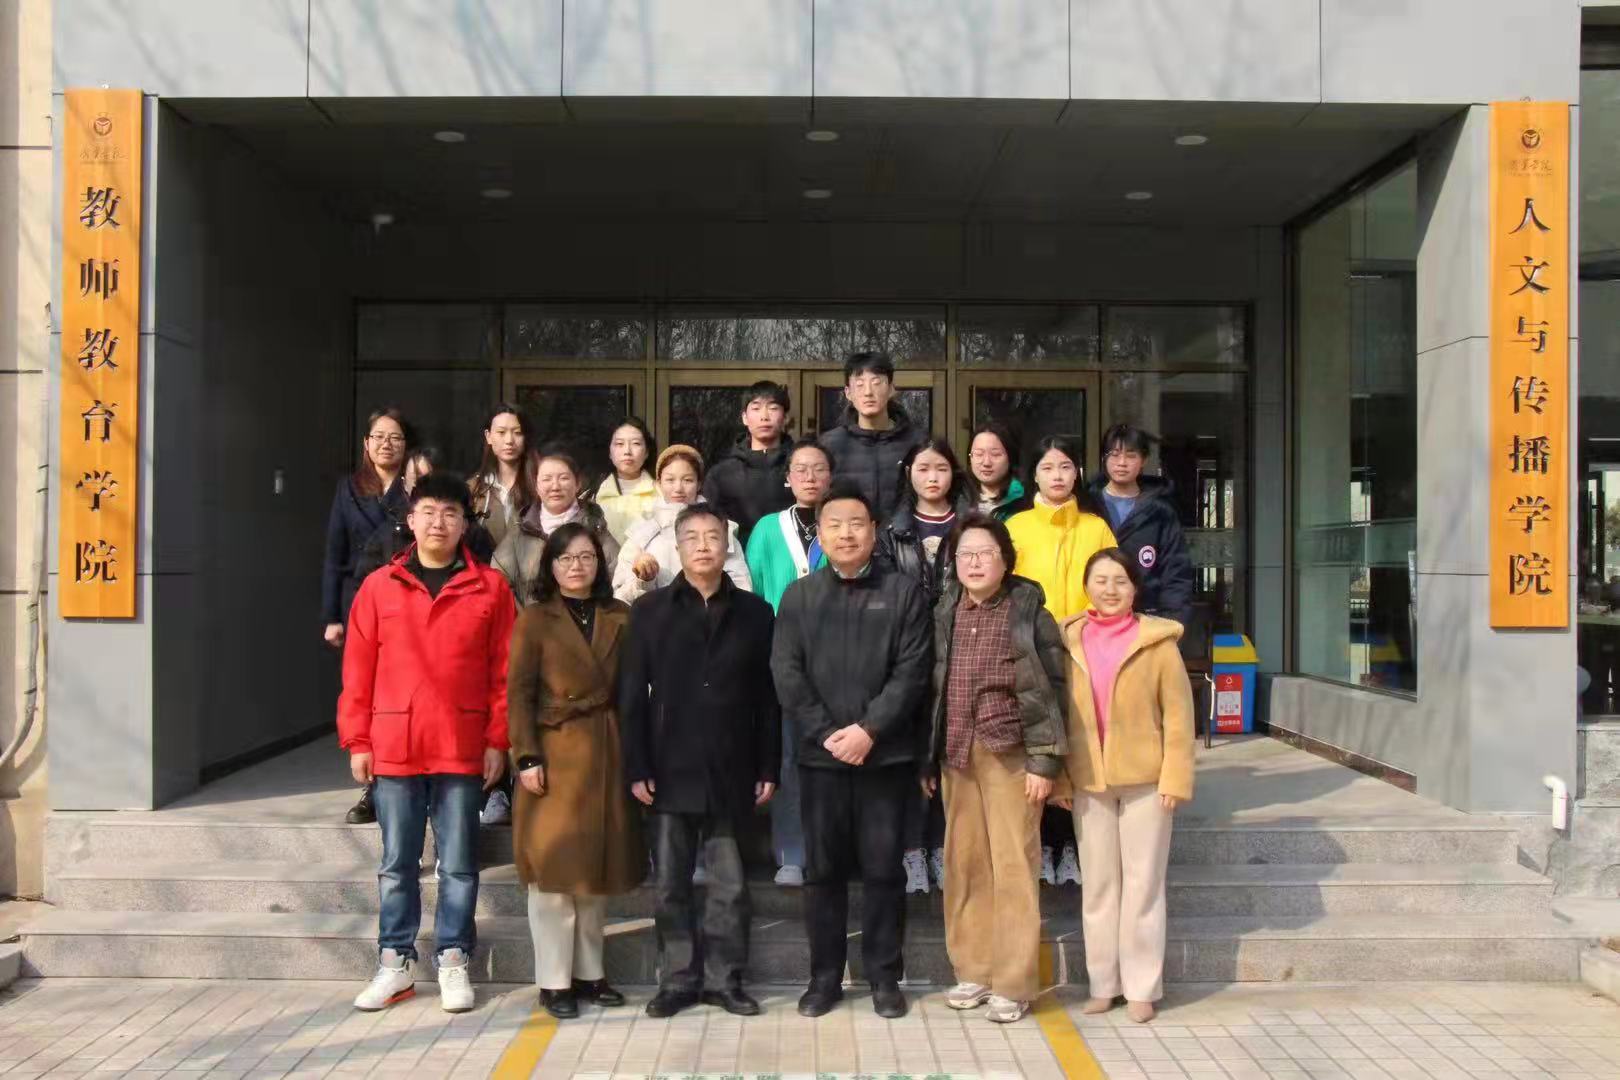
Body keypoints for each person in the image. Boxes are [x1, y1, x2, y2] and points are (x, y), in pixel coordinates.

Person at [338, 471, 514, 1015]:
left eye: (451, 513)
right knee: (397, 864)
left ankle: (453, 958)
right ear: (411, 520)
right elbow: (358, 669)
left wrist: (498, 740)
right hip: (395, 743)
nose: (440, 522)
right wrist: (358, 739)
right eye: (429, 512)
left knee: (458, 864)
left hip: (461, 743)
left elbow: (504, 673)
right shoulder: (379, 586)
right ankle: (395, 962)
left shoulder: (490, 588)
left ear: (465, 523)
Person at [770, 482, 932, 1020]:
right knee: (823, 873)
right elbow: (786, 672)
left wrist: (869, 731)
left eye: (856, 524)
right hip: (821, 760)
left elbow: (912, 672)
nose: (846, 534)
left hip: (884, 758)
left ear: (874, 530)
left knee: (884, 870)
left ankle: (885, 977)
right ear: (820, 533)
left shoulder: (903, 592)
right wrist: (827, 734)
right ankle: (824, 978)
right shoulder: (800, 596)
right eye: (834, 524)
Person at [620, 504, 781, 1019]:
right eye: (693, 538)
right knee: (671, 884)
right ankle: (678, 980)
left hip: (732, 765)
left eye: (714, 536)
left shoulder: (756, 613)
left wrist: (768, 766)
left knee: (729, 886)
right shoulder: (650, 611)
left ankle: (724, 980)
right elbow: (632, 696)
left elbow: (768, 698)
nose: (705, 546)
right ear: (679, 547)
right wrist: (637, 765)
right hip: (668, 767)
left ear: (727, 544)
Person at [926, 513, 1068, 1025]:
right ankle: (974, 970)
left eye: (985, 552)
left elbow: (1054, 690)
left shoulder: (1028, 612)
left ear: (1005, 559)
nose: (974, 562)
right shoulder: (945, 610)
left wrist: (1044, 761)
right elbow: (933, 686)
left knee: (1013, 866)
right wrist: (928, 755)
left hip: (1011, 755)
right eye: (965, 554)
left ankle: (1013, 981)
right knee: (965, 865)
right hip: (957, 754)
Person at [507, 523, 644, 1020]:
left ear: (600, 563)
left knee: (594, 873)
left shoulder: (620, 614)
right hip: (552, 751)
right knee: (553, 874)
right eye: (565, 558)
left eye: (586, 556)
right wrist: (525, 756)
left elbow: (635, 690)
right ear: (550, 566)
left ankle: (590, 973)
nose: (576, 566)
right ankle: (553, 981)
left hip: (607, 748)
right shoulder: (534, 618)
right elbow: (519, 693)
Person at [1062, 548, 1195, 1025]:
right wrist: (1060, 777)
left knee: (1143, 886)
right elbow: (1057, 715)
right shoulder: (1067, 640)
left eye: (1120, 580)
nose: (1110, 589)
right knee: (1099, 887)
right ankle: (1103, 984)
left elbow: (1179, 716)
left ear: (1135, 588)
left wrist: (1175, 776)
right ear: (1086, 585)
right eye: (1100, 580)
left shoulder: (1157, 642)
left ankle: (1141, 988)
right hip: (1088, 779)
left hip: (1147, 782)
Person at [1005, 434, 1116, 887]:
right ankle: (1043, 846)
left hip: (1088, 651)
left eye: (1066, 467)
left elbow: (1112, 583)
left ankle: (1070, 847)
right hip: (1031, 650)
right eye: (1048, 467)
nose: (1057, 476)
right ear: (1033, 475)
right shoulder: (1016, 527)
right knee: (1039, 747)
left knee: (1081, 747)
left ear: (1078, 474)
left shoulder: (1096, 527)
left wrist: (1083, 621)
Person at [877, 437, 969, 894]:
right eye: (923, 469)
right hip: (907, 651)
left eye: (941, 469)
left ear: (954, 474)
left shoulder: (972, 525)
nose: (932, 478)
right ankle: (912, 850)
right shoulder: (891, 530)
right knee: (912, 751)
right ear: (908, 474)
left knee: (952, 751)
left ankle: (944, 848)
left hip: (961, 649)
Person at [744, 441, 832, 887]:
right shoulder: (767, 529)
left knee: (834, 754)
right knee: (789, 755)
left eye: (819, 469)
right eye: (801, 469)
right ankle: (791, 853)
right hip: (783, 657)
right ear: (787, 478)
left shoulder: (843, 523)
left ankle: (832, 850)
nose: (810, 477)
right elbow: (754, 592)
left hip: (836, 656)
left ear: (831, 476)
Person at [324, 408, 412, 827]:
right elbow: (334, 554)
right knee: (364, 693)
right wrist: (332, 615)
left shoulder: (414, 488)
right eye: (378, 437)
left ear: (405, 445)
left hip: (404, 605)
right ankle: (371, 786)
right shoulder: (349, 489)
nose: (386, 444)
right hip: (359, 601)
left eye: (395, 437)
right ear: (366, 443)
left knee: (396, 696)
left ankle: (391, 784)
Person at [613, 445, 751, 603]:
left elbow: (741, 588)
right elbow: (620, 598)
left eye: (687, 480)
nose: (678, 488)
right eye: (670, 480)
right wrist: (643, 581)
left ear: (699, 484)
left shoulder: (720, 530)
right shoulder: (641, 534)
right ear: (658, 484)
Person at [1090, 424, 1195, 627]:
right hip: (1094, 622)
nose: (1122, 463)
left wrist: (1170, 626)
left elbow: (1176, 574)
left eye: (1131, 455)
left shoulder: (1160, 512)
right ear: (1104, 458)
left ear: (1144, 460)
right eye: (1114, 455)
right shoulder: (1087, 506)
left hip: (1147, 621)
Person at [492, 448, 620, 608]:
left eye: (564, 478)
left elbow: (618, 577)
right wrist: (527, 618)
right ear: (536, 486)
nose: (555, 486)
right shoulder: (521, 531)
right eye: (547, 479)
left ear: (578, 483)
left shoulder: (594, 528)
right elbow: (500, 581)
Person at [819, 352, 928, 521]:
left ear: (891, 388)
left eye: (876, 383)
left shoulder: (918, 442)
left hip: (904, 534)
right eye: (859, 385)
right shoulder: (829, 444)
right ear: (848, 393)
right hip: (849, 533)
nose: (868, 392)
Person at [702, 380, 795, 543]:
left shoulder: (800, 469)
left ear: (785, 417)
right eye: (756, 408)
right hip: (738, 556)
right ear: (745, 417)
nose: (764, 416)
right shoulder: (722, 474)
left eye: (773, 408)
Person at [468, 404, 535, 552]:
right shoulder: (473, 489)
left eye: (517, 433)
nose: (509, 440)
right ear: (488, 436)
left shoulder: (539, 486)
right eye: (501, 432)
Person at [595, 417, 659, 545]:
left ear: (647, 452)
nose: (627, 451)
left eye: (636, 443)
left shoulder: (661, 492)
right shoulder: (594, 496)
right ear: (609, 452)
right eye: (620, 444)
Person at [967, 423, 1025, 521]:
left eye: (995, 454)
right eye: (979, 454)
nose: (986, 462)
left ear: (1011, 457)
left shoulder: (1024, 502)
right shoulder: (959, 499)